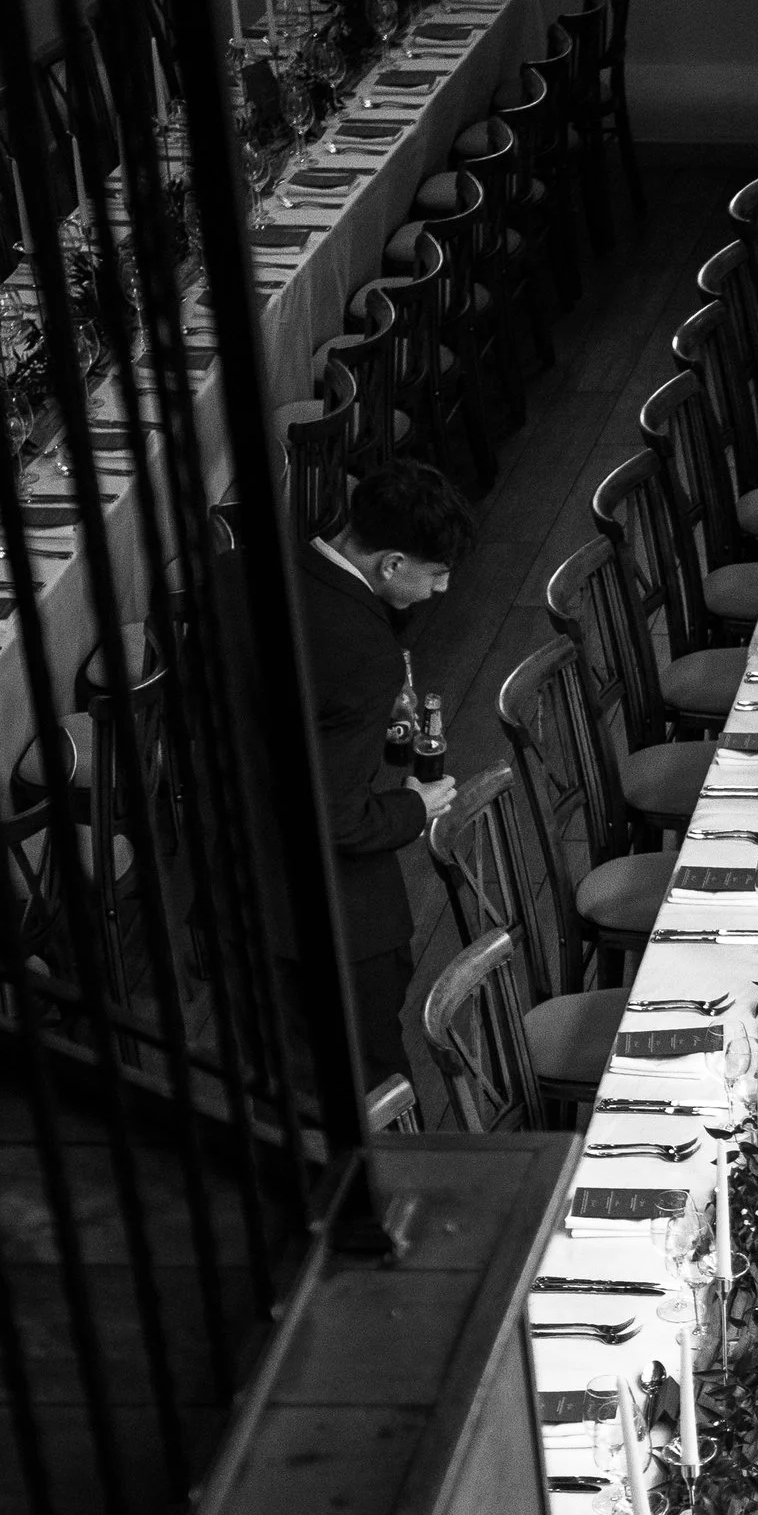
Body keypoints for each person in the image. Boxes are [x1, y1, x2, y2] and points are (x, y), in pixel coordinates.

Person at [214, 460, 477, 1095]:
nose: (440, 591)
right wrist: (415, 806)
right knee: (372, 1081)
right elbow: (335, 817)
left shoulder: (237, 575)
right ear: (391, 564)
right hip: (324, 921)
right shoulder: (364, 651)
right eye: (436, 574)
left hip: (233, 888)